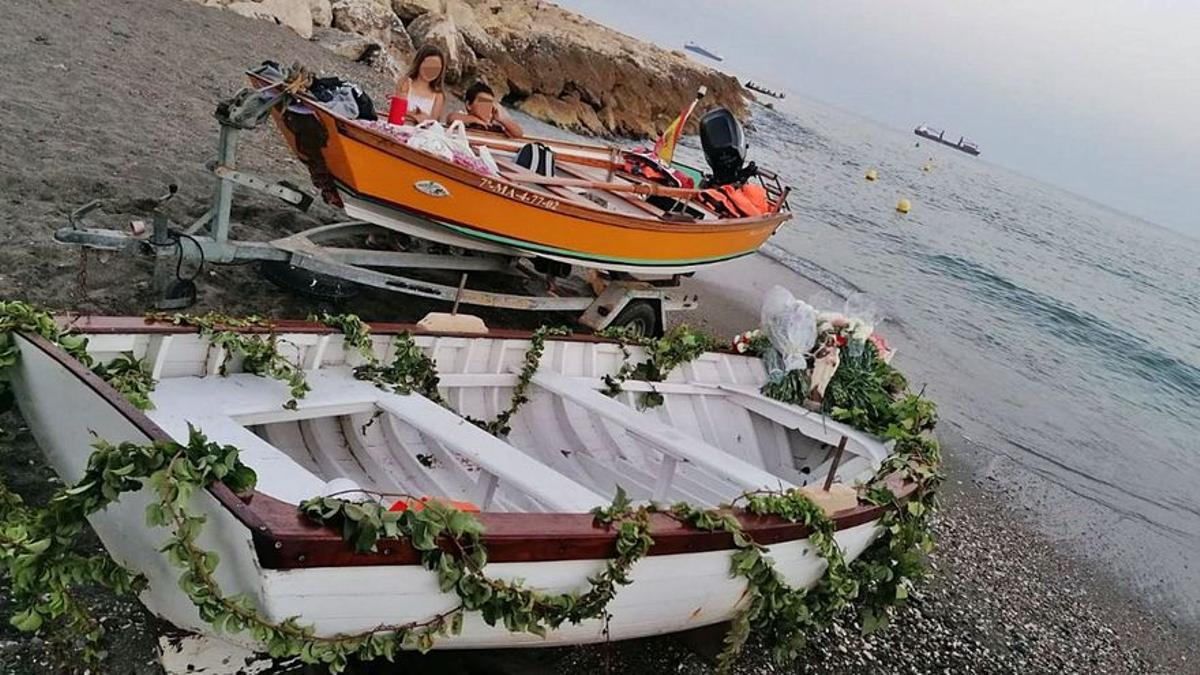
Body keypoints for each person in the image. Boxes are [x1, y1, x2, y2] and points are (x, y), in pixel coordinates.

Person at [447, 81, 524, 138]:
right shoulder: (464, 119)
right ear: (469, 105)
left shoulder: (495, 124)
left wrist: (502, 119)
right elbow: (451, 117)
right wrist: (476, 120)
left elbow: (519, 133)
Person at [395, 44, 446, 124]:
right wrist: (416, 116)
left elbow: (432, 123)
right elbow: (397, 112)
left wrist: (409, 114)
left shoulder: (438, 95)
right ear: (419, 63)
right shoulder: (405, 83)